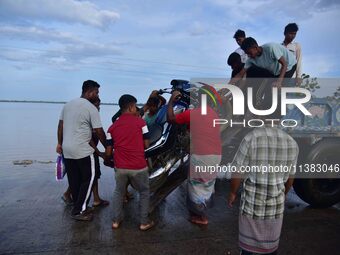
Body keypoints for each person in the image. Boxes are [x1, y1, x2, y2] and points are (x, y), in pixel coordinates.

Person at [228, 127, 298, 254]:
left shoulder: (251, 138)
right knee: (270, 250)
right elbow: (290, 178)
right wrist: (284, 194)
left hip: (252, 208)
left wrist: (233, 193)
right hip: (275, 211)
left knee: (248, 251)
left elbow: (237, 171)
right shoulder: (291, 142)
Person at [167, 86, 222, 225]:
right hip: (215, 154)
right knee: (207, 184)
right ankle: (200, 212)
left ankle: (202, 217)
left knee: (196, 186)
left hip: (202, 154)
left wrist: (171, 100)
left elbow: (171, 119)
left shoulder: (194, 113)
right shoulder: (213, 113)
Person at [56, 80, 106, 221]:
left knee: (75, 180)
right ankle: (78, 211)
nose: (97, 95)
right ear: (89, 92)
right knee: (89, 178)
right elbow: (99, 131)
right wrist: (108, 146)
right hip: (83, 149)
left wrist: (60, 143)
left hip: (67, 149)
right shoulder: (91, 108)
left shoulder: (68, 105)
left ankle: (79, 206)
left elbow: (60, 126)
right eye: (96, 92)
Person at [106, 94, 154, 231]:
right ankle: (144, 222)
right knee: (144, 191)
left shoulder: (112, 127)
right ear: (132, 107)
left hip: (120, 167)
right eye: (135, 106)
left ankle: (116, 221)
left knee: (119, 192)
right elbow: (146, 144)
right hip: (138, 166)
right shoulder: (141, 123)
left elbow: (109, 152)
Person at [61, 98, 109, 208]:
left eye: (99, 105)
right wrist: (101, 152)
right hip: (86, 151)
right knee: (88, 177)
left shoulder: (88, 115)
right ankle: (71, 197)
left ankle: (95, 198)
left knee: (92, 175)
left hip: (82, 150)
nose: (99, 107)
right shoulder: (89, 114)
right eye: (97, 105)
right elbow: (90, 139)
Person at [231, 37, 297, 88]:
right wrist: (227, 86)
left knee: (278, 88)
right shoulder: (250, 60)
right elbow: (240, 74)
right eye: (247, 53)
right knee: (269, 91)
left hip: (289, 65)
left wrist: (279, 82)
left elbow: (284, 64)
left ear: (255, 48)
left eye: (249, 53)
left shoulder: (271, 48)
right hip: (276, 71)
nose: (248, 55)